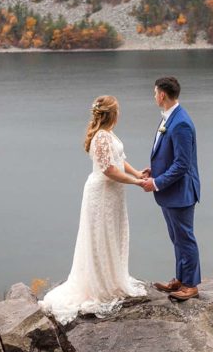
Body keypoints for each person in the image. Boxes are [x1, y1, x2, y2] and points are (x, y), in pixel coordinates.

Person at [40, 95, 147, 324]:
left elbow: (119, 159)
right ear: (113, 114)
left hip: (113, 194)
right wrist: (136, 182)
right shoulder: (101, 137)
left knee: (112, 235)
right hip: (103, 193)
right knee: (100, 237)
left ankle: (112, 277)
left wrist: (137, 173)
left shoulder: (108, 134)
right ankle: (101, 284)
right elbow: (109, 170)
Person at [139, 76, 201, 301]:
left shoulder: (181, 122)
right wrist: (154, 170)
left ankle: (191, 285)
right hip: (171, 192)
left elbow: (182, 164)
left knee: (185, 238)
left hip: (181, 192)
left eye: (155, 92)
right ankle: (180, 279)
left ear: (162, 94)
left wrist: (156, 183)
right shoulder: (170, 117)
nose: (154, 96)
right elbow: (169, 155)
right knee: (176, 237)